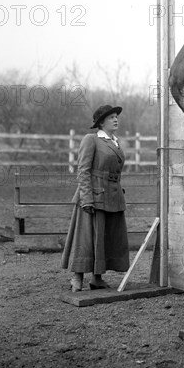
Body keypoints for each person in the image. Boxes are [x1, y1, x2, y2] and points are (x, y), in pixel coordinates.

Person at [61, 105, 130, 291]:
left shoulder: (115, 142)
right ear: (101, 122)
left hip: (113, 198)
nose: (116, 120)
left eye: (116, 117)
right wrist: (87, 199)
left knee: (104, 237)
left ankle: (96, 278)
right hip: (93, 196)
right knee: (86, 238)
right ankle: (77, 278)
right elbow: (83, 171)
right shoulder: (91, 139)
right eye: (111, 117)